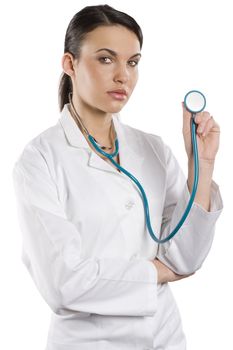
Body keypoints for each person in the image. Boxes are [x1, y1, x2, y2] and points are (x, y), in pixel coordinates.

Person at [12, 4, 223, 350]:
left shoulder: (152, 149)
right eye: (106, 59)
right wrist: (159, 272)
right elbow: (63, 283)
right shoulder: (39, 161)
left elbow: (188, 256)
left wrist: (202, 165)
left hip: (165, 338)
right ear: (70, 64)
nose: (123, 76)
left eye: (133, 62)